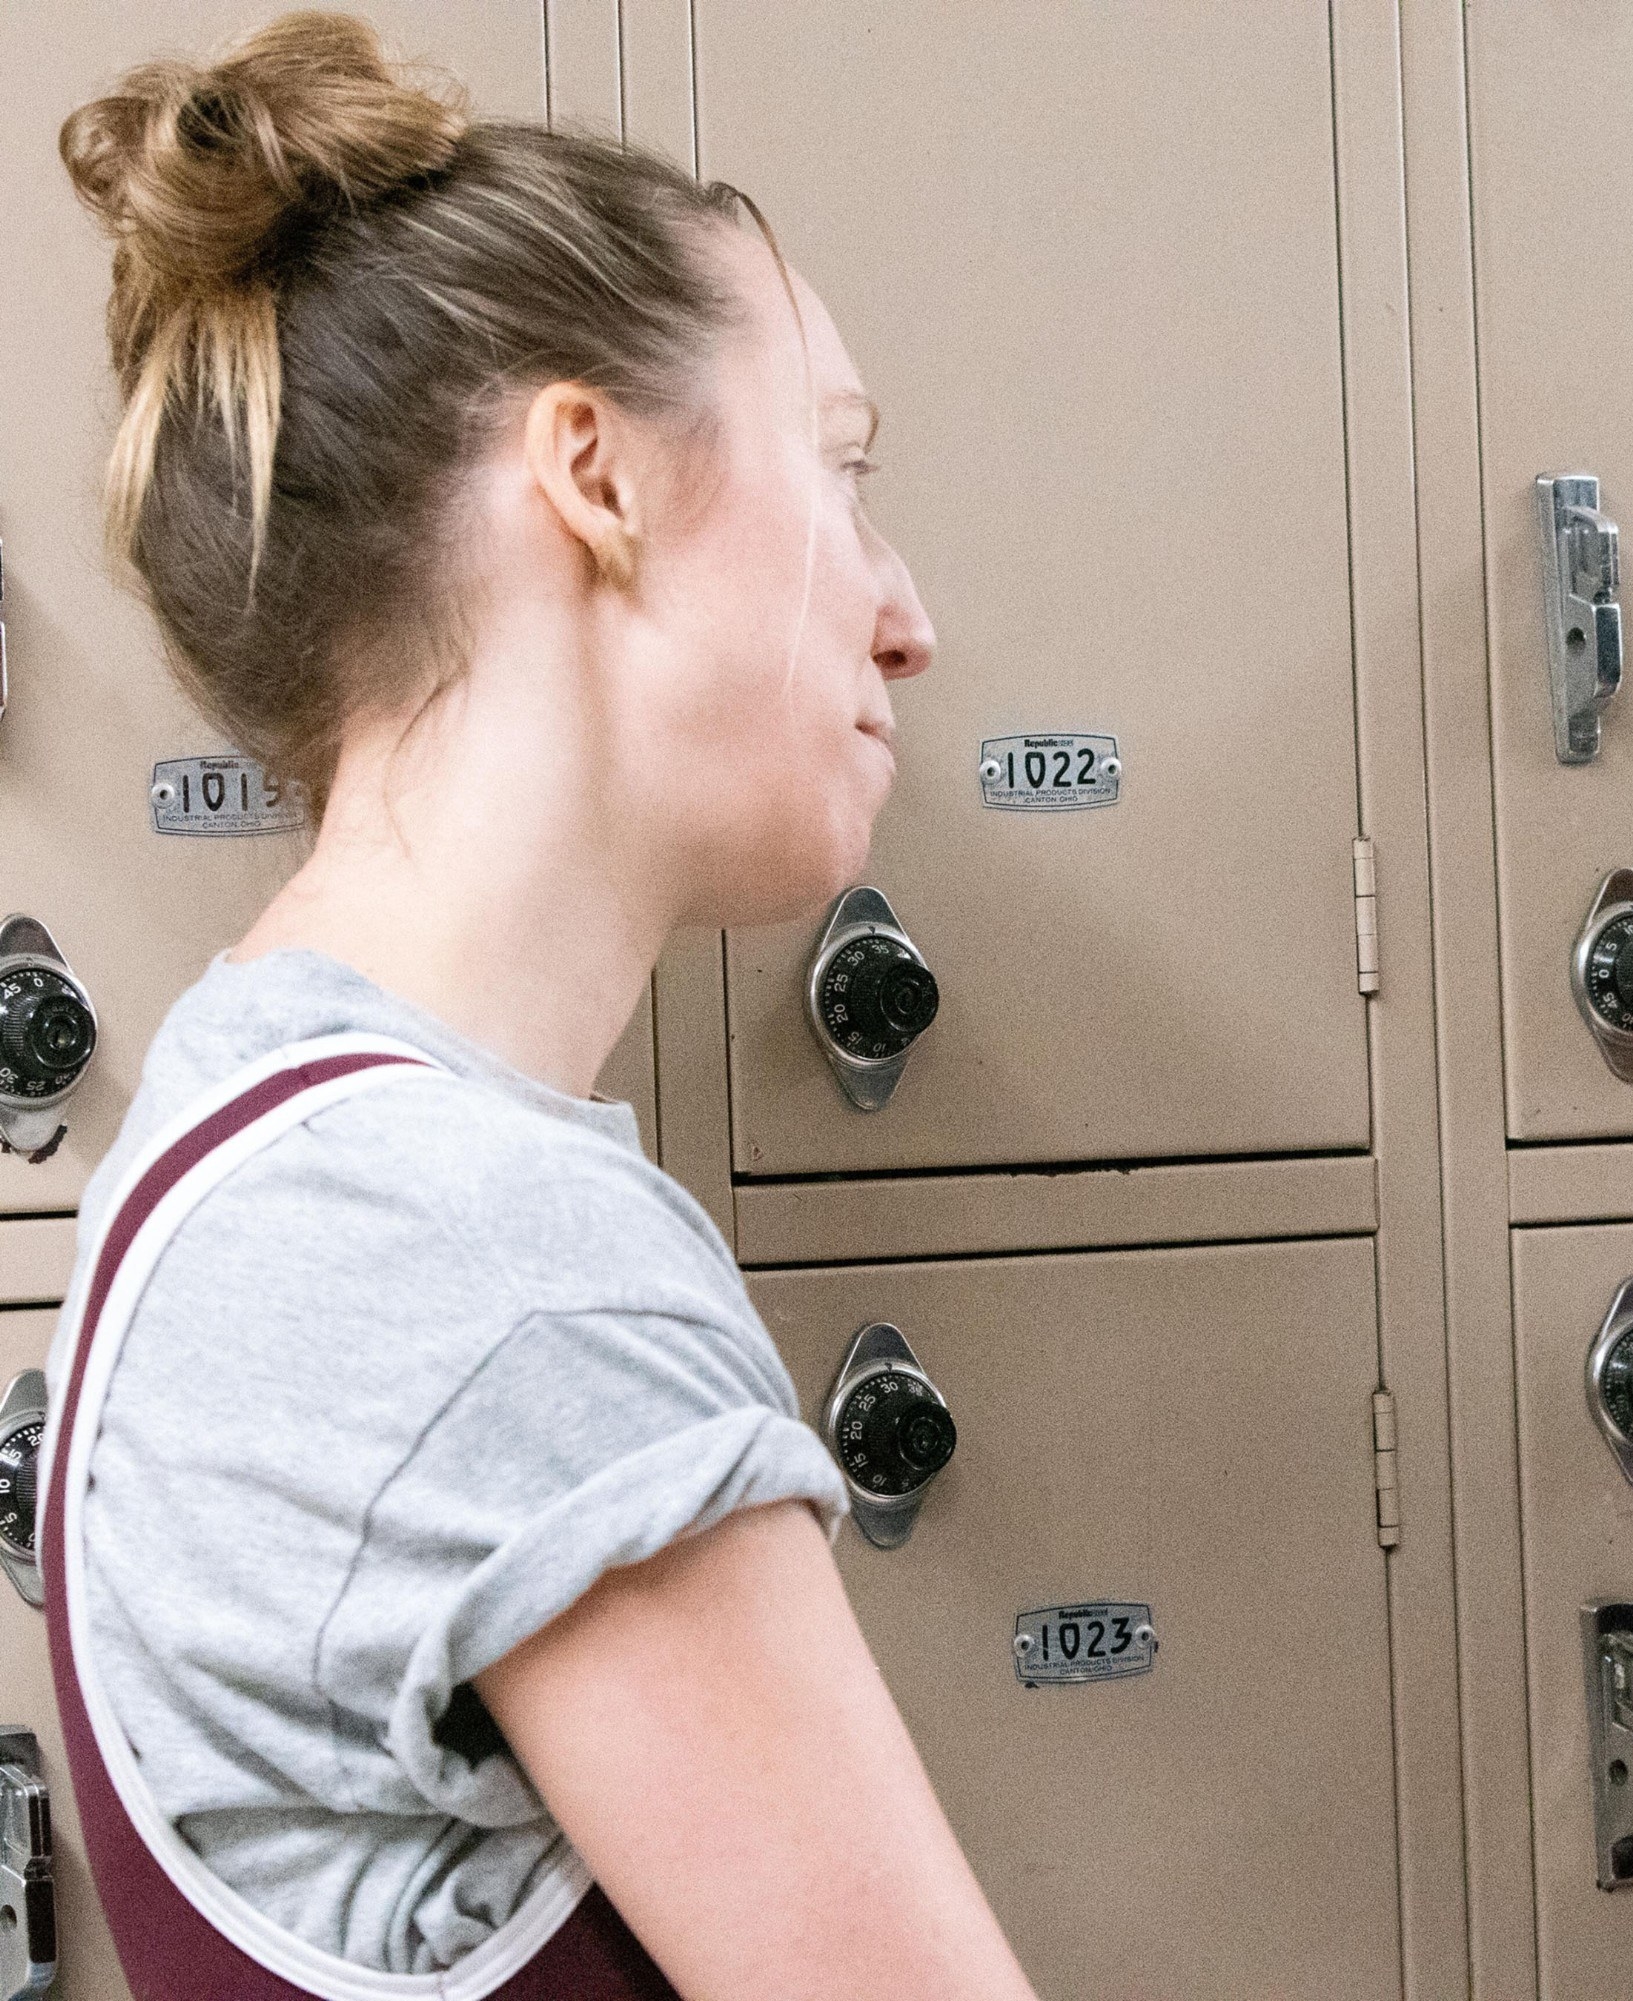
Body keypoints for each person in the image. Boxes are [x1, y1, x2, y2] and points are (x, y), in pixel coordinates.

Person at [48, 14, 1042, 1996]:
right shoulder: (481, 1264)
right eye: (838, 471)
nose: (905, 611)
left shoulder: (246, 1136)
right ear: (593, 473)